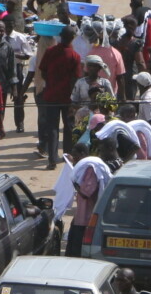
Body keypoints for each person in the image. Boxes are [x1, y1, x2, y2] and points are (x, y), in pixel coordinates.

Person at [36, 26, 81, 168]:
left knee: (52, 128)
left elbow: (42, 71)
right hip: (68, 98)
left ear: (60, 36)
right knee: (68, 127)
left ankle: (52, 160)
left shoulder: (50, 52)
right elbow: (76, 78)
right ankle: (67, 157)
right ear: (72, 38)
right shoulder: (75, 56)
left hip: (51, 96)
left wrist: (51, 82)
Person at [67, 142, 113, 254]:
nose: (75, 160)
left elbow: (86, 192)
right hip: (82, 213)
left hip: (87, 216)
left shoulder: (90, 169)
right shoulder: (84, 167)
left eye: (76, 156)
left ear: (82, 154)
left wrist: (74, 183)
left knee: (78, 246)